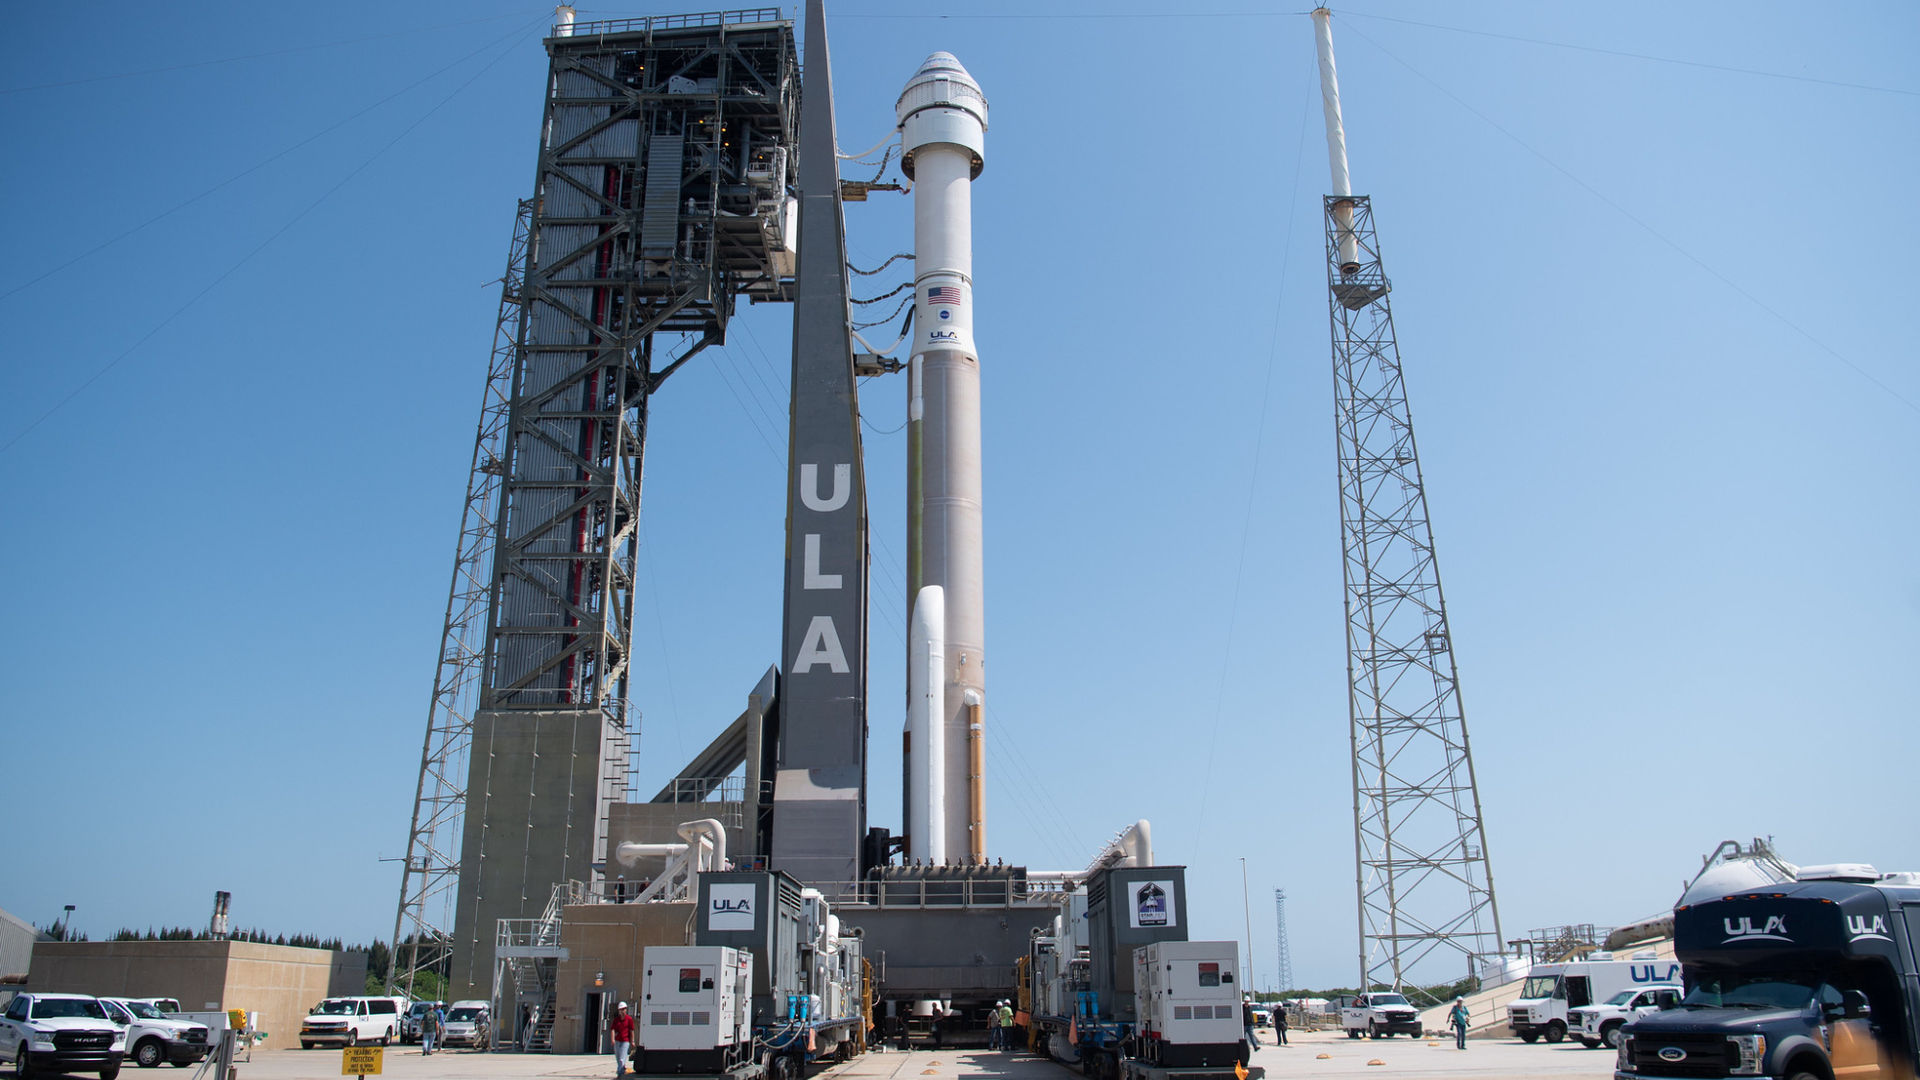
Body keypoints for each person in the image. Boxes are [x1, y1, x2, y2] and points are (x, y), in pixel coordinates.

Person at [611, 1001, 635, 1078]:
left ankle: (620, 1074)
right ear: (619, 1011)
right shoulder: (616, 1020)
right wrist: (612, 1039)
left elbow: (631, 1030)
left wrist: (632, 1041)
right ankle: (621, 1069)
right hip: (617, 1041)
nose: (623, 1011)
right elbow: (613, 1029)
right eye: (621, 1009)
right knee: (618, 1058)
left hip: (625, 1041)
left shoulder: (629, 1019)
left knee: (622, 1058)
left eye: (624, 1009)